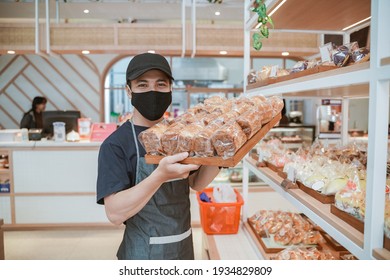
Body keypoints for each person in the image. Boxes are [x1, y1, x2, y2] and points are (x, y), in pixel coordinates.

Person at [96, 53, 220, 260]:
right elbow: (115, 214)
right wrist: (160, 175)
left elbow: (197, 183)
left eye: (161, 84)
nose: (153, 91)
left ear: (171, 89)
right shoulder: (116, 144)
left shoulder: (181, 135)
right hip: (143, 253)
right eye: (142, 85)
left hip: (183, 247)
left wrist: (220, 156)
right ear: (129, 91)